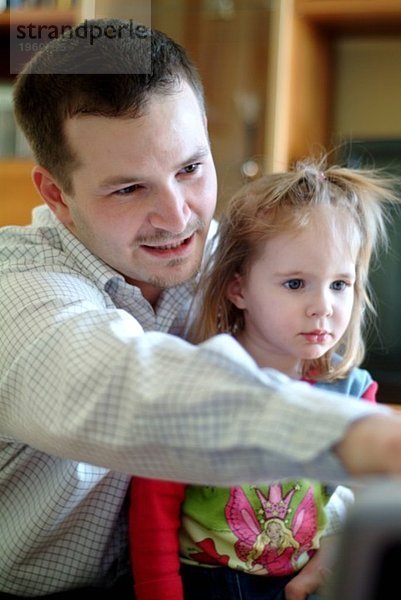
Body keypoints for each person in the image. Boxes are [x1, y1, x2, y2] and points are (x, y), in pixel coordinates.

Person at [1, 16, 401, 598]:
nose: (180, 215)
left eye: (190, 168)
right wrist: (363, 439)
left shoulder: (229, 261)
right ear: (57, 196)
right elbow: (130, 389)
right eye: (129, 188)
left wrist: (349, 522)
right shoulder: (18, 289)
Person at [129, 160, 384, 600]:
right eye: (295, 283)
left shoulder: (352, 392)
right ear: (238, 287)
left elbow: (372, 499)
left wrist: (328, 561)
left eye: (340, 284)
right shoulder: (202, 383)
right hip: (210, 584)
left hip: (303, 584)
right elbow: (153, 507)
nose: (322, 306)